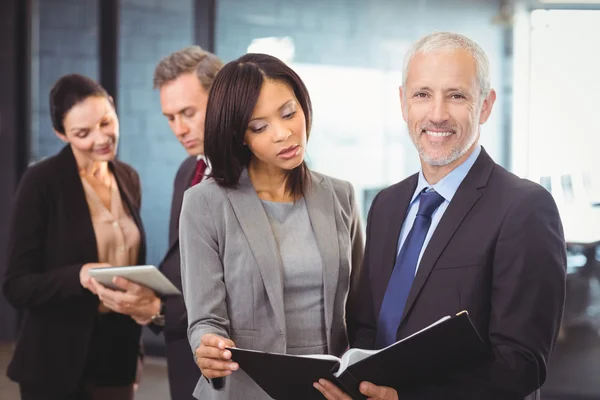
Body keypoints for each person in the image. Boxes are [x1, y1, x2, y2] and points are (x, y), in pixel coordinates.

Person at [315, 32, 567, 400]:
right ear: (403, 103)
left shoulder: (524, 207)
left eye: (457, 95)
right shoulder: (386, 204)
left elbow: (522, 364)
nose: (436, 114)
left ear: (485, 105)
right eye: (422, 94)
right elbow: (368, 328)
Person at [178, 53, 365, 399]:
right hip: (244, 391)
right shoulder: (205, 203)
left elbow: (359, 310)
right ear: (240, 136)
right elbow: (205, 320)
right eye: (259, 127)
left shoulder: (341, 195)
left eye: (289, 113)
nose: (284, 133)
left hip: (328, 392)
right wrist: (206, 345)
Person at [89, 46, 224, 400]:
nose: (179, 129)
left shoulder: (254, 175)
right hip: (183, 357)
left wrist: (160, 308)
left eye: (188, 113)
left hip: (224, 360)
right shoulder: (188, 170)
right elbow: (186, 263)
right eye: (170, 117)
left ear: (223, 98)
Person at [3, 74, 149, 400]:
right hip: (56, 358)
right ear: (61, 134)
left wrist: (136, 353)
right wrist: (79, 275)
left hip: (118, 352)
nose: (101, 138)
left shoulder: (128, 177)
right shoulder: (40, 182)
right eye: (82, 133)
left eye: (106, 122)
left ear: (113, 108)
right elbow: (16, 285)